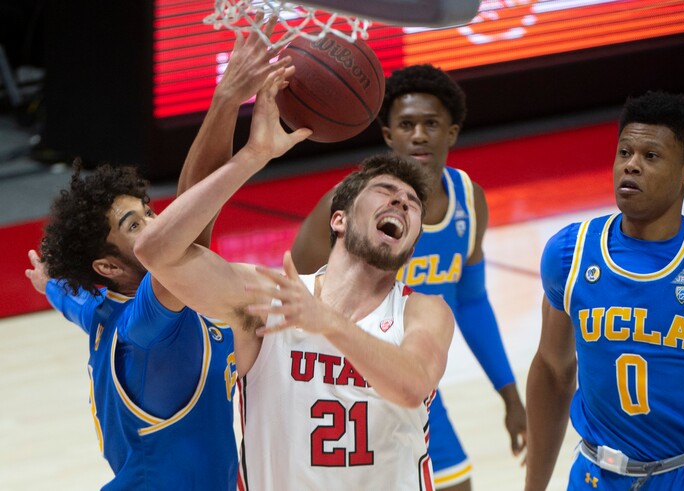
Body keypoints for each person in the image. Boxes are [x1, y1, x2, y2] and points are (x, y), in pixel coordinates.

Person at [132, 66, 455, 488]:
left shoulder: (423, 311)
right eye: (385, 191)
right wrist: (253, 157)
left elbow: (412, 384)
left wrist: (326, 322)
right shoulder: (270, 299)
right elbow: (156, 252)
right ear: (338, 219)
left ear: (410, 243)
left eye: (412, 204)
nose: (401, 201)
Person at [24, 18, 291, 490]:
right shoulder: (146, 330)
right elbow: (184, 241)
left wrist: (50, 284)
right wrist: (250, 151)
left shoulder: (100, 306)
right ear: (108, 266)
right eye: (134, 226)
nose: (154, 223)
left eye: (147, 211)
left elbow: (71, 296)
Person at [290, 63, 526, 490]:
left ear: (451, 132)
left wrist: (508, 392)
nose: (419, 135)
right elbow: (301, 288)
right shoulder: (347, 205)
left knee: (456, 484)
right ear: (388, 135)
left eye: (430, 124)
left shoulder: (469, 201)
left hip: (411, 371)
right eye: (407, 124)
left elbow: (472, 302)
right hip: (341, 379)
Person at [525, 90, 684, 491]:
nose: (631, 166)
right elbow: (553, 371)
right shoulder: (569, 253)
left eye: (650, 157)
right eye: (624, 153)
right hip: (593, 475)